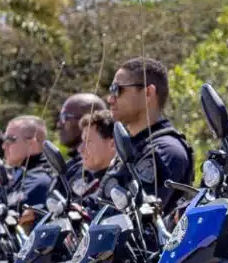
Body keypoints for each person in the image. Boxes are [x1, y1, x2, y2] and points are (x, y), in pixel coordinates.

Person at [106, 57, 193, 210]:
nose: (110, 99)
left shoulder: (165, 150)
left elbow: (139, 216)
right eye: (111, 90)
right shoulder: (132, 147)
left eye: (117, 90)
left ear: (148, 93)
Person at [0, 115, 59, 228]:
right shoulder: (20, 174)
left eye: (10, 140)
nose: (3, 146)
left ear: (32, 144)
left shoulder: (42, 180)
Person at [57, 92, 107, 192]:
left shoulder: (98, 166)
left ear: (89, 119)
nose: (59, 124)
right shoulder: (72, 165)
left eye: (65, 117)